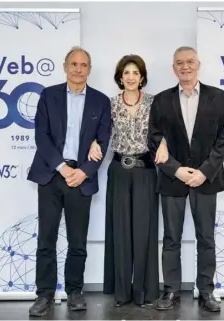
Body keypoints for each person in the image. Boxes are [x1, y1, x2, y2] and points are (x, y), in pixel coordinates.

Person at [27, 46, 112, 316]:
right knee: (47, 239)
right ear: (65, 67)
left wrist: (84, 171)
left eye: (83, 65)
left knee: (78, 241)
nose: (78, 69)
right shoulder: (49, 95)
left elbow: (104, 141)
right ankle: (45, 295)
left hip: (81, 178)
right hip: (53, 176)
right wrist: (63, 168)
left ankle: (74, 291)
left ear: (89, 69)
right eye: (73, 64)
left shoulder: (100, 101)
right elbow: (41, 136)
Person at [147, 46, 224, 312]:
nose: (185, 67)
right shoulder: (161, 100)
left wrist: (205, 171)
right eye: (180, 63)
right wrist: (176, 169)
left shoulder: (218, 97)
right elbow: (154, 140)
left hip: (207, 179)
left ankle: (206, 290)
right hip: (174, 179)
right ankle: (170, 290)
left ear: (198, 65)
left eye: (190, 62)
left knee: (205, 237)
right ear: (173, 68)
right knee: (171, 237)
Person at [87, 54, 169, 307]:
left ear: (142, 77)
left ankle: (144, 291)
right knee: (120, 231)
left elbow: (165, 131)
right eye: (126, 73)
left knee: (144, 231)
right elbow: (98, 131)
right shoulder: (110, 104)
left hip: (145, 170)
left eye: (135, 72)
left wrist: (164, 143)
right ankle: (121, 292)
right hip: (119, 171)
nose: (131, 77)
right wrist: (92, 141)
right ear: (120, 78)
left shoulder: (155, 103)